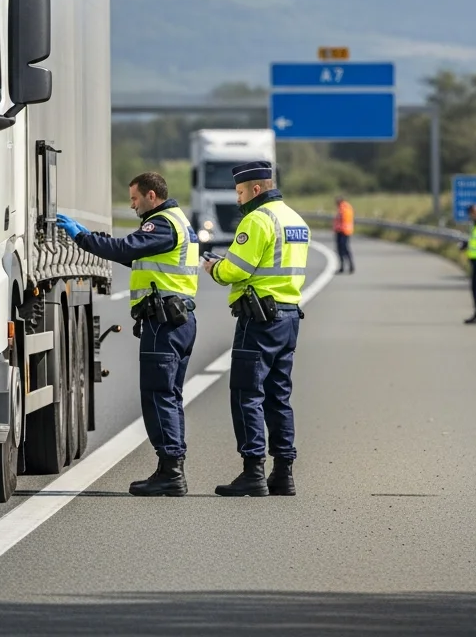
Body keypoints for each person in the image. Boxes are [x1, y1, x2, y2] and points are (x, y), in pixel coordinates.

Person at [56, 171, 198, 496]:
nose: (132, 205)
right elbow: (135, 253)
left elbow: (125, 249)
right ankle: (170, 468)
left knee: (159, 395)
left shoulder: (161, 223)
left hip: (164, 322)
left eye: (135, 198)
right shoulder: (179, 220)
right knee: (169, 396)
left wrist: (81, 237)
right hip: (178, 320)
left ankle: (171, 471)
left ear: (152, 195)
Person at [203, 160, 309, 497]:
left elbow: (236, 270)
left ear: (256, 189)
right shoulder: (296, 220)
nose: (237, 199)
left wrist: (214, 268)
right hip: (289, 317)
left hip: (260, 320)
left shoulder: (258, 219)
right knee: (279, 397)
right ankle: (283, 473)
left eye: (240, 192)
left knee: (247, 394)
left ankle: (252, 471)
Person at [332, 195, 355, 274]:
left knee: (343, 249)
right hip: (344, 230)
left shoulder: (343, 208)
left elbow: (342, 219)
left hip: (342, 231)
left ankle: (346, 266)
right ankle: (347, 266)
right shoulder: (345, 207)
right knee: (343, 249)